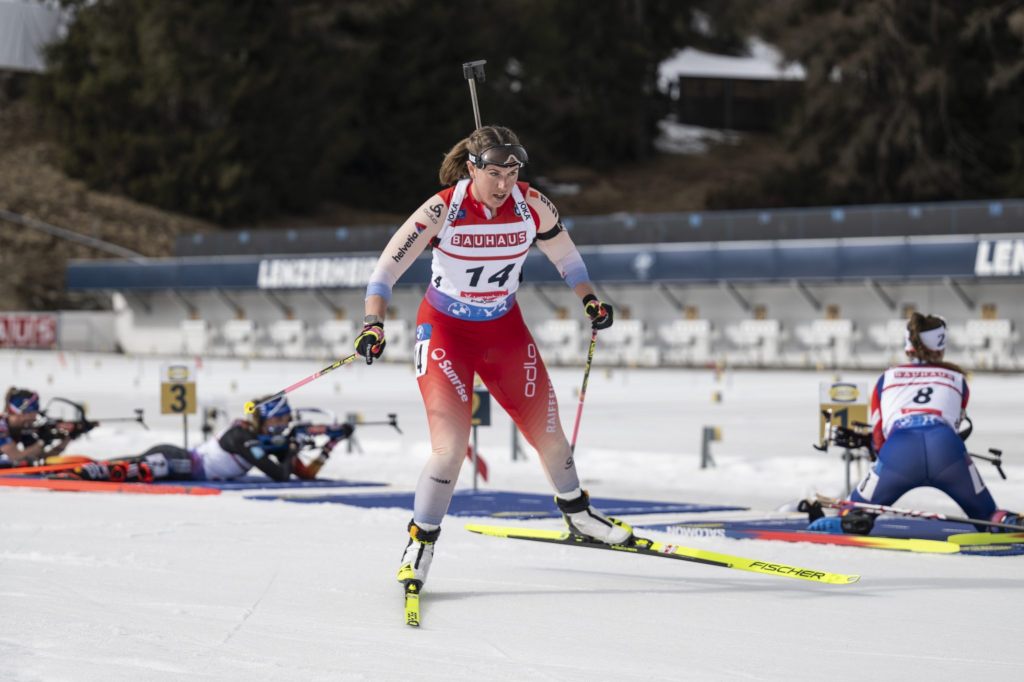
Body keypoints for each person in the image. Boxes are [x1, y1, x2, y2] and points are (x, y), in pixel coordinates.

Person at [354, 124, 633, 591]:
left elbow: (568, 259)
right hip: (445, 332)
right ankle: (420, 543)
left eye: (512, 172)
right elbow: (386, 269)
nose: (504, 185)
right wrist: (373, 323)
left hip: (504, 331)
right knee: (450, 450)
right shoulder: (443, 207)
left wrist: (589, 298)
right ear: (472, 167)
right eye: (494, 174)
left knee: (549, 432)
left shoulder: (532, 203)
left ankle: (579, 515)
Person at [809, 313, 1021, 534]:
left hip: (900, 451)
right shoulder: (958, 379)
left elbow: (879, 437)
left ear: (907, 346)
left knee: (854, 512)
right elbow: (954, 426)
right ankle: (1008, 522)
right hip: (946, 449)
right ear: (941, 346)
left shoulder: (887, 377)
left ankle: (850, 520)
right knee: (989, 516)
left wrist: (879, 456)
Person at [74, 395, 352, 482]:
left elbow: (303, 475)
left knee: (148, 468)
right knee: (147, 468)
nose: (284, 426)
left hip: (188, 466)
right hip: (181, 460)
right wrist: (291, 448)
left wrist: (330, 444)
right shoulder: (241, 436)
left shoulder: (265, 439)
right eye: (280, 420)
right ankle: (90, 470)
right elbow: (279, 475)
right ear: (265, 420)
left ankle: (92, 469)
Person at [0, 387, 73, 467]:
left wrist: (66, 440)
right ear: (21, 413)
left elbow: (40, 457)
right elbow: (16, 457)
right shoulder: (2, 426)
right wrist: (42, 442)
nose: (35, 418)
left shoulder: (21, 428)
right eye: (32, 413)